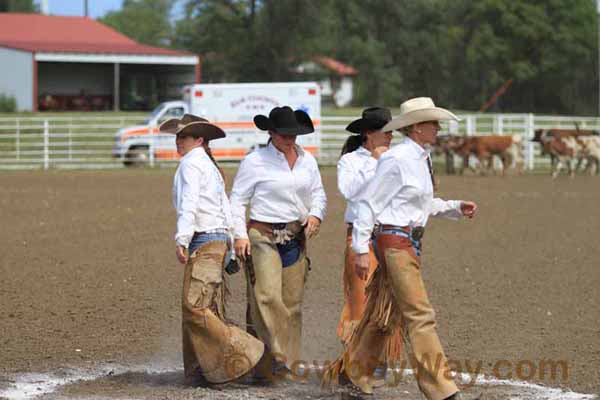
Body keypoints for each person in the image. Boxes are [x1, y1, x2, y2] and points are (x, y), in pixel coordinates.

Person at [323, 97, 478, 400]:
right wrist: (359, 249)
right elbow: (370, 204)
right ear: (417, 127)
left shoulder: (418, 157)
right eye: (433, 123)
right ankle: (442, 391)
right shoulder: (398, 159)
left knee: (384, 315)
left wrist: (455, 207)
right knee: (420, 315)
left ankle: (354, 374)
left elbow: (418, 203)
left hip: (407, 242)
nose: (437, 128)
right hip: (395, 244)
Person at [164, 114, 264, 386]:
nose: (178, 141)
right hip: (217, 240)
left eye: (183, 137)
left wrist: (182, 238)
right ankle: (199, 371)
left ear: (198, 140)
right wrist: (231, 246)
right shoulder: (208, 165)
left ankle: (243, 350)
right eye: (177, 137)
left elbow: (190, 203)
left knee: (194, 308)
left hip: (203, 239)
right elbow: (224, 207)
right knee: (201, 307)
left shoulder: (191, 164)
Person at [230, 106, 327, 377]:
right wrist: (239, 234)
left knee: (293, 305)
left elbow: (318, 194)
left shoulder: (308, 161)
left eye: (294, 134)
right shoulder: (255, 161)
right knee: (268, 296)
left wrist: (316, 215)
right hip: (263, 236)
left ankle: (286, 365)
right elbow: (237, 200)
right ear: (271, 133)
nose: (290, 139)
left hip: (296, 237)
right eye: (284, 134)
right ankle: (279, 354)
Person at [336, 107, 404, 370]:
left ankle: (379, 356)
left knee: (389, 297)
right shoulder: (351, 161)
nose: (390, 137)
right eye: (385, 132)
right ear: (368, 134)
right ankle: (357, 355)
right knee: (360, 297)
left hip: (389, 233)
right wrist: (377, 164)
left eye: (391, 132)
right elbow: (350, 191)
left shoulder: (395, 159)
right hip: (362, 235)